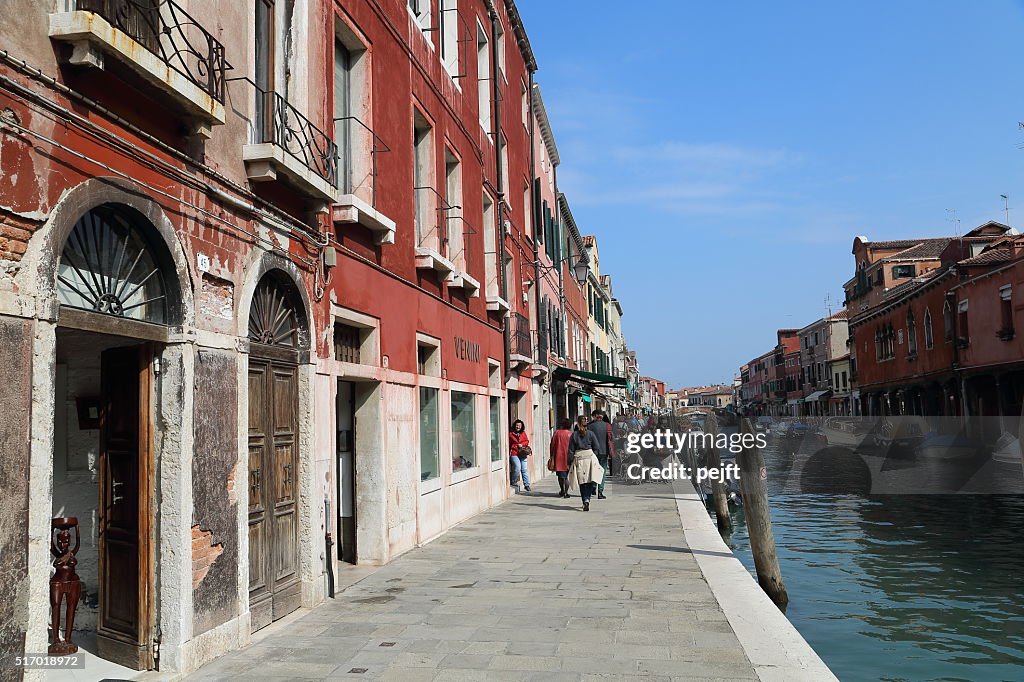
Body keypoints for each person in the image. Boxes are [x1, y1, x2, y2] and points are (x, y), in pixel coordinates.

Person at [567, 415, 603, 511]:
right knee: (590, 479)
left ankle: (584, 500)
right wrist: (594, 455)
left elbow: (571, 450)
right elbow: (597, 446)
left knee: (582, 481)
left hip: (579, 458)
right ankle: (588, 499)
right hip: (590, 457)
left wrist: (569, 462)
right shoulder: (591, 434)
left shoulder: (574, 435)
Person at [587, 411, 616, 499]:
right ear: (602, 417)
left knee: (593, 470)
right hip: (604, 451)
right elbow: (612, 439)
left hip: (593, 452)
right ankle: (600, 491)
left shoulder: (590, 426)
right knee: (602, 471)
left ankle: (593, 487)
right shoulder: (607, 426)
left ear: (595, 417)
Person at [548, 419, 573, 498]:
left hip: (558, 457)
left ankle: (562, 490)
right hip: (569, 458)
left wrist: (552, 455)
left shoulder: (557, 433)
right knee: (566, 476)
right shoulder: (571, 434)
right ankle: (566, 492)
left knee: (560, 476)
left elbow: (552, 445)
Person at [509, 419, 531, 492]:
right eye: (517, 425)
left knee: (524, 469)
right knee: (517, 467)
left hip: (522, 453)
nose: (518, 427)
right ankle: (513, 481)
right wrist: (515, 447)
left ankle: (526, 485)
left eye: (519, 425)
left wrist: (522, 444)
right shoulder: (511, 434)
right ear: (514, 426)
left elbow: (527, 441)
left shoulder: (523, 433)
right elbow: (509, 444)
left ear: (522, 426)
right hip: (514, 453)